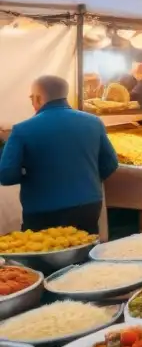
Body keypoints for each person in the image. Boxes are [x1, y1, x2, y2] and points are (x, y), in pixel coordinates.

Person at [0, 75, 117, 232]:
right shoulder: (93, 122)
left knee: (46, 253)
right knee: (85, 250)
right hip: (89, 204)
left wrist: (28, 175)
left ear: (38, 98)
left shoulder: (22, 130)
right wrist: (87, 177)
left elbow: (6, 175)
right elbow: (110, 163)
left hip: (42, 208)